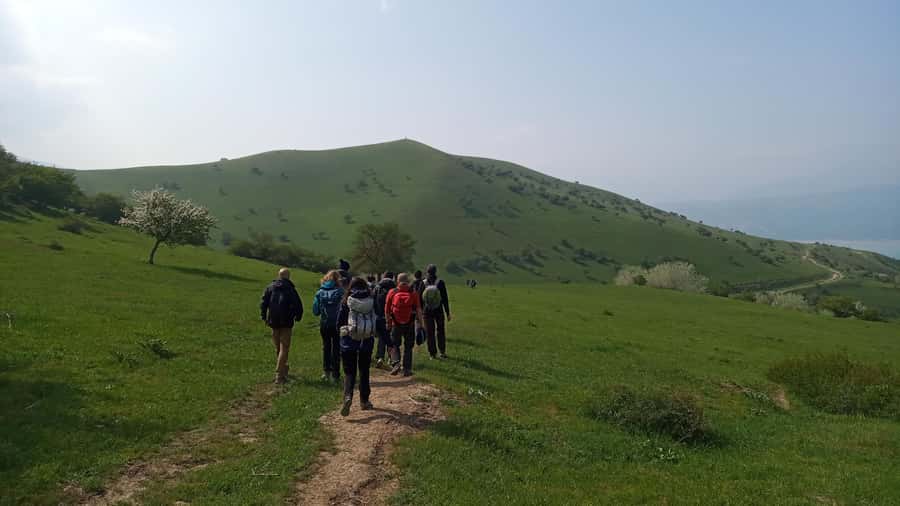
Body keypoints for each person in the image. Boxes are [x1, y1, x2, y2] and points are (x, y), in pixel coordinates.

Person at [337, 277, 377, 415]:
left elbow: (340, 322)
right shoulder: (371, 301)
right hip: (366, 341)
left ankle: (348, 396)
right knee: (364, 371)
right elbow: (377, 319)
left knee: (349, 372)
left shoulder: (346, 301)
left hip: (349, 342)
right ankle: (364, 401)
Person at [259, 267, 304, 384]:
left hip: (273, 321)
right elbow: (298, 304)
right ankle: (279, 374)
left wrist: (263, 316)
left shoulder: (270, 287)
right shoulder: (291, 289)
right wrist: (298, 316)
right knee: (284, 348)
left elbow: (263, 302)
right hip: (286, 322)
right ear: (288, 276)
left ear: (279, 276)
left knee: (278, 347)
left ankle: (283, 369)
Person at [385, 272, 425, 377]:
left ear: (397, 281)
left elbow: (387, 309)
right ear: (408, 281)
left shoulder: (392, 292)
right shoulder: (413, 293)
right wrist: (421, 324)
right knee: (408, 346)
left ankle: (396, 363)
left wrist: (388, 322)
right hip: (410, 323)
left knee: (394, 344)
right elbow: (419, 310)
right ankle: (407, 369)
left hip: (395, 323)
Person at [312, 270, 344, 383]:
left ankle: (326, 372)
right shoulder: (341, 291)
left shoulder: (320, 292)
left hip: (324, 323)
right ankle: (336, 374)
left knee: (326, 347)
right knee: (336, 348)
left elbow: (315, 311)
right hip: (337, 324)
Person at [421, 264, 451, 359]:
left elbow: (419, 298)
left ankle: (432, 354)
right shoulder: (440, 282)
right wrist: (448, 313)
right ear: (435, 271)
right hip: (439, 310)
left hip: (427, 311)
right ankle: (442, 351)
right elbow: (445, 298)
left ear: (427, 272)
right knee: (440, 331)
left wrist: (420, 312)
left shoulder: (423, 283)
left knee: (430, 332)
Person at [373, 271, 398, 370]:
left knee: (382, 337)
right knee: (391, 337)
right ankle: (391, 359)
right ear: (392, 278)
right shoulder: (395, 288)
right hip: (392, 317)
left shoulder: (377, 287)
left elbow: (373, 301)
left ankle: (380, 357)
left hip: (379, 316)